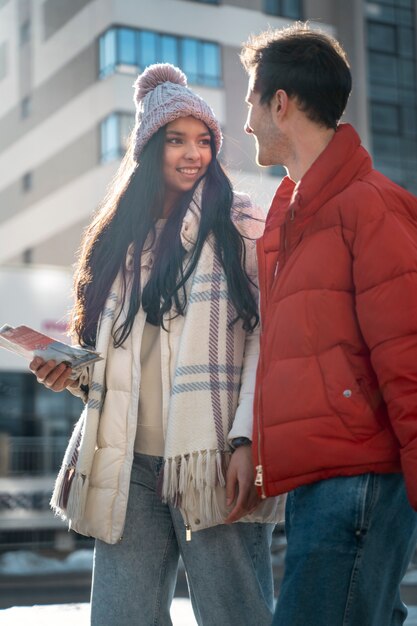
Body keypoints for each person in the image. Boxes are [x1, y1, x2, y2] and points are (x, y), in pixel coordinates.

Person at [29, 63, 279, 626]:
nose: (194, 153)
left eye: (204, 140)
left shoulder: (241, 223)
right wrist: (70, 373)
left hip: (210, 458)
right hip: (128, 463)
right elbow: (116, 363)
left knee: (236, 616)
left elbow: (269, 338)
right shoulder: (120, 240)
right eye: (176, 140)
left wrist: (245, 439)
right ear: (148, 148)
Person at [240, 23, 417, 626]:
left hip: (360, 479)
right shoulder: (295, 216)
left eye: (250, 103)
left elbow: (408, 354)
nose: (245, 123)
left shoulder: (369, 205)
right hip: (329, 479)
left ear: (280, 103)